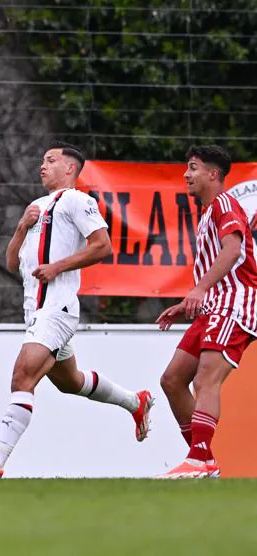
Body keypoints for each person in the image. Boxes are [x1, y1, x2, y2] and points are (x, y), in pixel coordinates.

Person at [0, 141, 153, 479]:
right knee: (71, 382)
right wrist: (21, 226)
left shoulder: (78, 200)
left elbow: (102, 246)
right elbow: (10, 261)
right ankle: (136, 402)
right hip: (35, 310)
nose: (42, 166)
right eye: (42, 160)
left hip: (57, 308)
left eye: (50, 160)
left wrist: (58, 267)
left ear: (70, 169)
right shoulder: (35, 206)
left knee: (22, 375)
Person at [156, 145, 257, 479]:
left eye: (193, 167)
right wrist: (189, 301)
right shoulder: (207, 214)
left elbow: (233, 249)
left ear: (213, 174)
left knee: (205, 379)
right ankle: (203, 459)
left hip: (236, 302)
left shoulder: (225, 205)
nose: (187, 174)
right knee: (172, 380)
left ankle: (199, 460)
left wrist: (199, 289)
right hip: (212, 306)